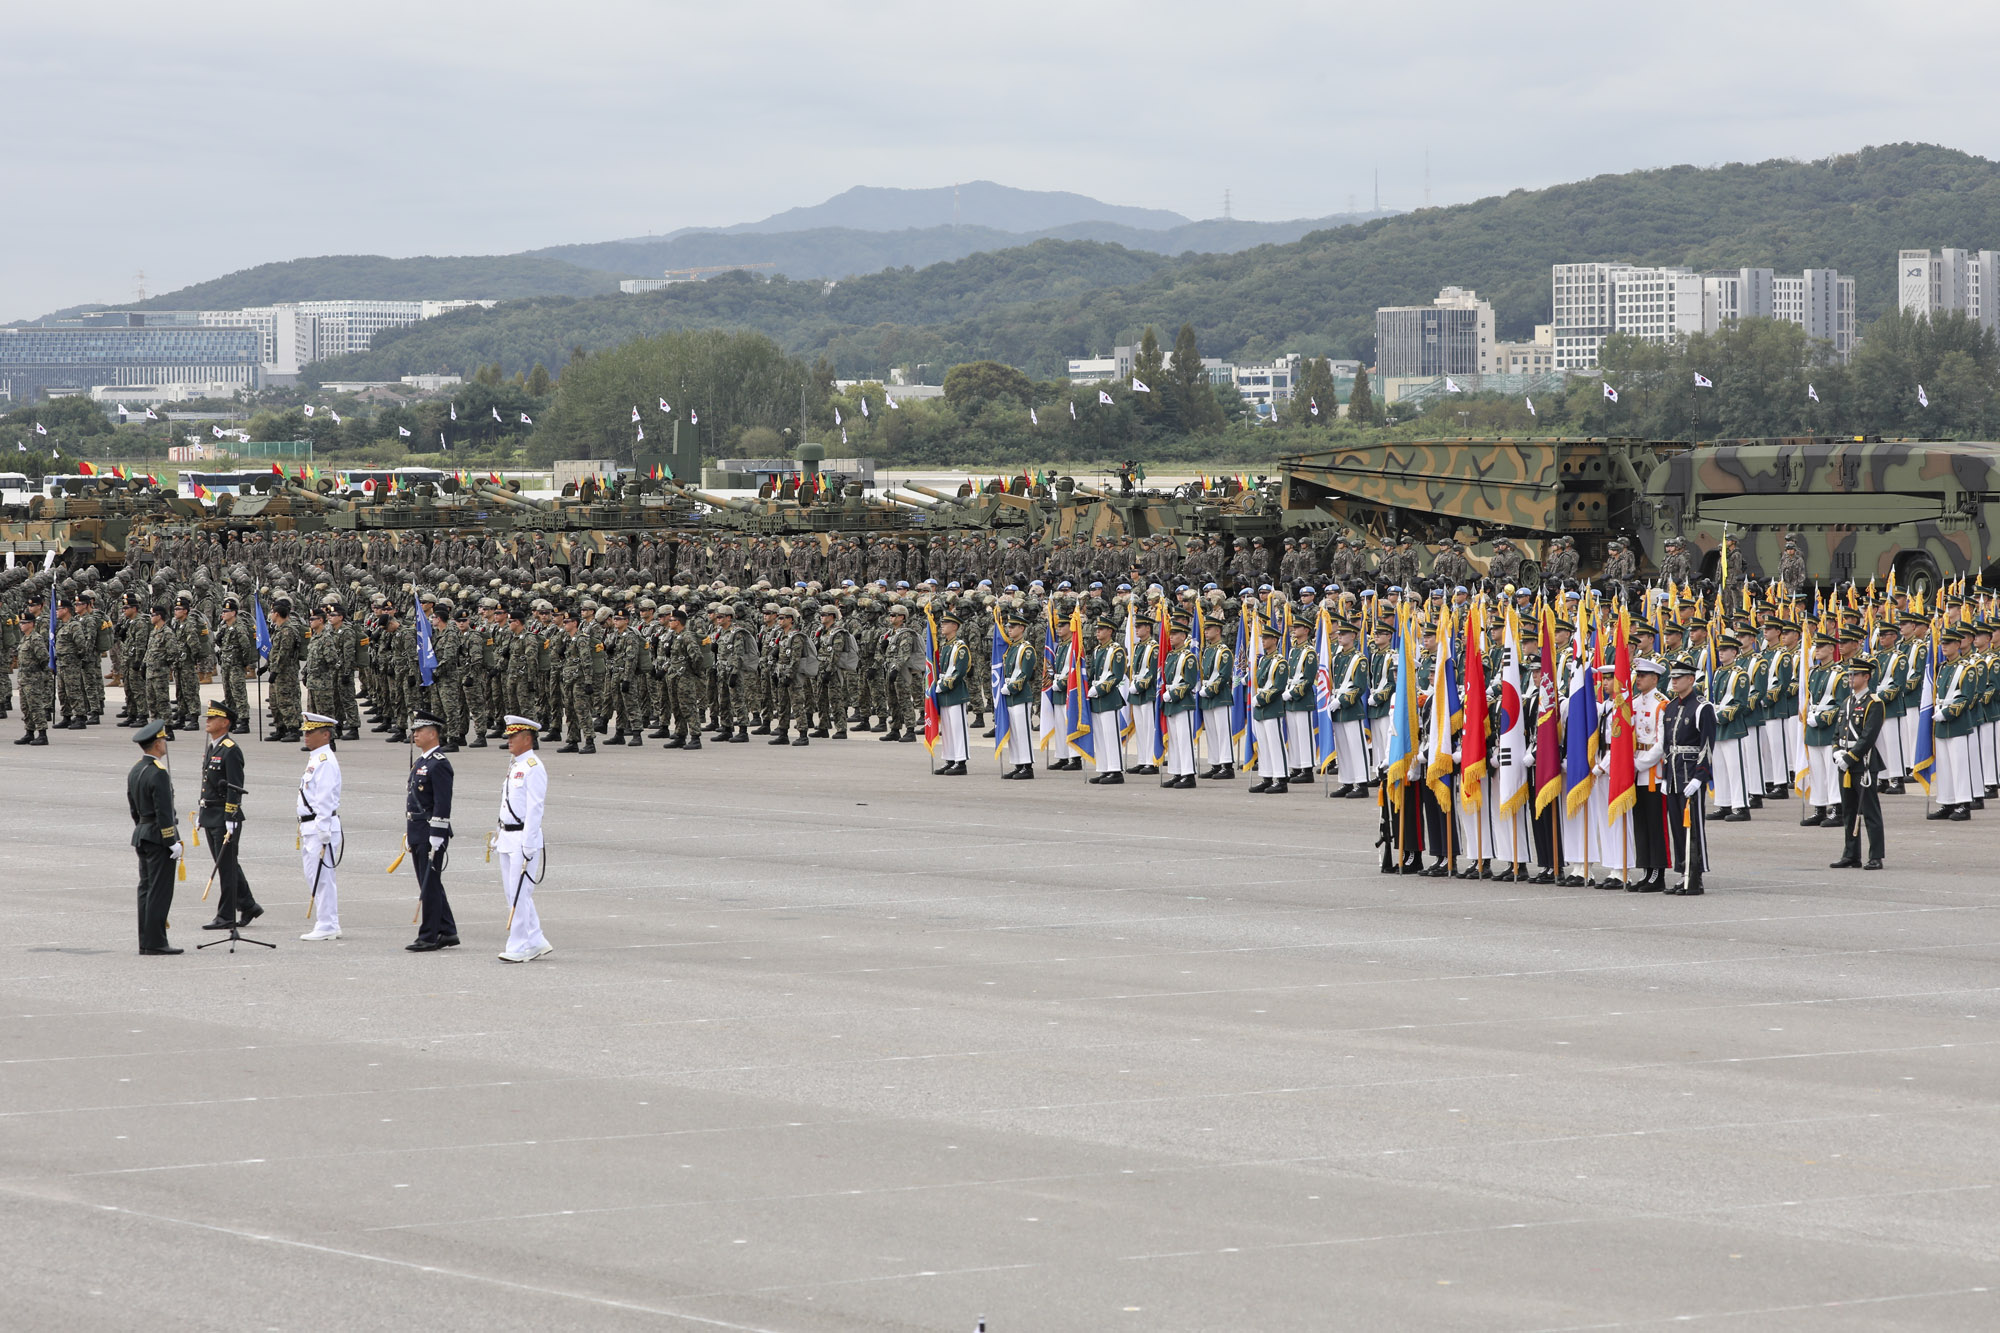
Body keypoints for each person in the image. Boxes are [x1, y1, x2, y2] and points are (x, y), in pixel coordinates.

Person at [197, 702, 263, 931]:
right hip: (210, 814)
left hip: (224, 816)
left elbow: (235, 785)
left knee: (226, 868)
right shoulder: (214, 747)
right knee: (226, 864)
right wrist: (201, 811)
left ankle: (225, 916)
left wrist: (231, 816)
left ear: (225, 723)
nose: (207, 721)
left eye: (212, 718)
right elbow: (207, 783)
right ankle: (249, 905)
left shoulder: (230, 749)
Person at [497, 715, 553, 962]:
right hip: (508, 836)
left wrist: (529, 843)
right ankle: (536, 939)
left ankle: (519, 946)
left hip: (522, 838)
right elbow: (508, 803)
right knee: (513, 893)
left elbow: (535, 808)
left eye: (513, 736)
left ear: (527, 739)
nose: (509, 740)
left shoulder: (533, 766)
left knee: (519, 893)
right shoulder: (515, 764)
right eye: (508, 735)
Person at [404, 713, 460, 951]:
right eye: (414, 730)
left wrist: (437, 833)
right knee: (430, 882)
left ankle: (428, 935)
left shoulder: (439, 763)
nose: (415, 733)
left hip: (430, 831)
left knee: (429, 884)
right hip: (418, 829)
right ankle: (447, 931)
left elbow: (442, 801)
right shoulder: (422, 761)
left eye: (420, 729)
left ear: (433, 733)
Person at [128, 720, 183, 954]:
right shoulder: (158, 773)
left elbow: (133, 807)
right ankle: (156, 942)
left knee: (146, 889)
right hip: (158, 838)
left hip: (142, 832)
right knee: (159, 891)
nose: (165, 745)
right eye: (163, 741)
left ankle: (146, 939)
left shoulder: (136, 769)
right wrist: (172, 841)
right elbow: (164, 811)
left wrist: (143, 826)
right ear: (157, 743)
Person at [1661, 660, 1715, 895]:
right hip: (1673, 773)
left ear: (1691, 680)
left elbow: (1707, 745)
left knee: (1692, 826)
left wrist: (1700, 777)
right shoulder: (1670, 707)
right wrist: (1664, 777)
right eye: (1672, 678)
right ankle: (1682, 872)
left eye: (1679, 677)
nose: (1674, 681)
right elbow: (1666, 744)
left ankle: (1695, 876)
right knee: (1677, 826)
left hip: (1690, 773)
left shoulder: (1703, 707)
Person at [1829, 655, 1886, 870]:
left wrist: (1850, 758)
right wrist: (1836, 752)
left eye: (1854, 675)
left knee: (1870, 811)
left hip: (1863, 763)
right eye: (1849, 674)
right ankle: (1851, 854)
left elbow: (1868, 736)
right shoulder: (1847, 701)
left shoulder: (1874, 703)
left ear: (1866, 676)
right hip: (1844, 763)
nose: (1850, 678)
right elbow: (1837, 732)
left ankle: (1876, 856)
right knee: (1849, 810)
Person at [298, 711, 344, 941]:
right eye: (305, 731)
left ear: (325, 735)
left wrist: (323, 827)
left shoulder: (325, 761)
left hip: (320, 827)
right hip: (312, 826)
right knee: (314, 876)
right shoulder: (316, 758)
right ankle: (329, 922)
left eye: (311, 732)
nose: (306, 735)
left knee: (322, 878)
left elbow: (325, 797)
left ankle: (326, 924)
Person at [1084, 615, 1126, 784]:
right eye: (1097, 629)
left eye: (1101, 629)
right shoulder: (1097, 650)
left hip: (1108, 698)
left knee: (1110, 735)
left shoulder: (1116, 650)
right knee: (1100, 736)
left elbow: (1116, 676)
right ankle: (1104, 768)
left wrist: (1099, 689)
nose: (1097, 632)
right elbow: (1093, 672)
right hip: (1095, 698)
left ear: (1110, 631)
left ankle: (1115, 770)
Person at [1160, 615, 1200, 788]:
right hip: (1171, 702)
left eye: (1175, 634)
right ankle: (1177, 772)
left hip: (1183, 702)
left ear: (1183, 636)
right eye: (1171, 633)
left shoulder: (1188, 657)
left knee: (1184, 740)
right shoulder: (1170, 655)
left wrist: (1174, 693)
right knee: (1175, 740)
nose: (1171, 636)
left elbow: (1189, 682)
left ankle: (1188, 774)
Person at [1249, 624, 1288, 794]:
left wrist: (1260, 698)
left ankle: (1280, 778)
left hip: (1271, 707)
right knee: (1264, 744)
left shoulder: (1280, 662)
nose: (1263, 641)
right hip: (1260, 709)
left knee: (1275, 743)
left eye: (1266, 638)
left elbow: (1278, 686)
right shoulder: (1263, 660)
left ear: (1274, 640)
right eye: (1262, 638)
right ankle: (1266, 776)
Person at [998, 610, 1036, 779]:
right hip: (1010, 695)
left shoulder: (1025, 649)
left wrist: (1012, 687)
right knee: (1014, 732)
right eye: (1008, 627)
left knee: (1022, 731)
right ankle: (1018, 763)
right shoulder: (1012, 648)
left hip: (1020, 695)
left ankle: (1027, 766)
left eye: (1012, 627)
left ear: (1022, 628)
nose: (1009, 630)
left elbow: (1025, 674)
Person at [932, 608, 971, 775]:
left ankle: (960, 761)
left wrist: (944, 685)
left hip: (955, 692)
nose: (942, 626)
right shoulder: (945, 645)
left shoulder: (959, 647)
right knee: (947, 729)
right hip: (944, 692)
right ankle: (950, 759)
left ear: (954, 626)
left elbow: (959, 671)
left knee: (957, 727)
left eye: (946, 623)